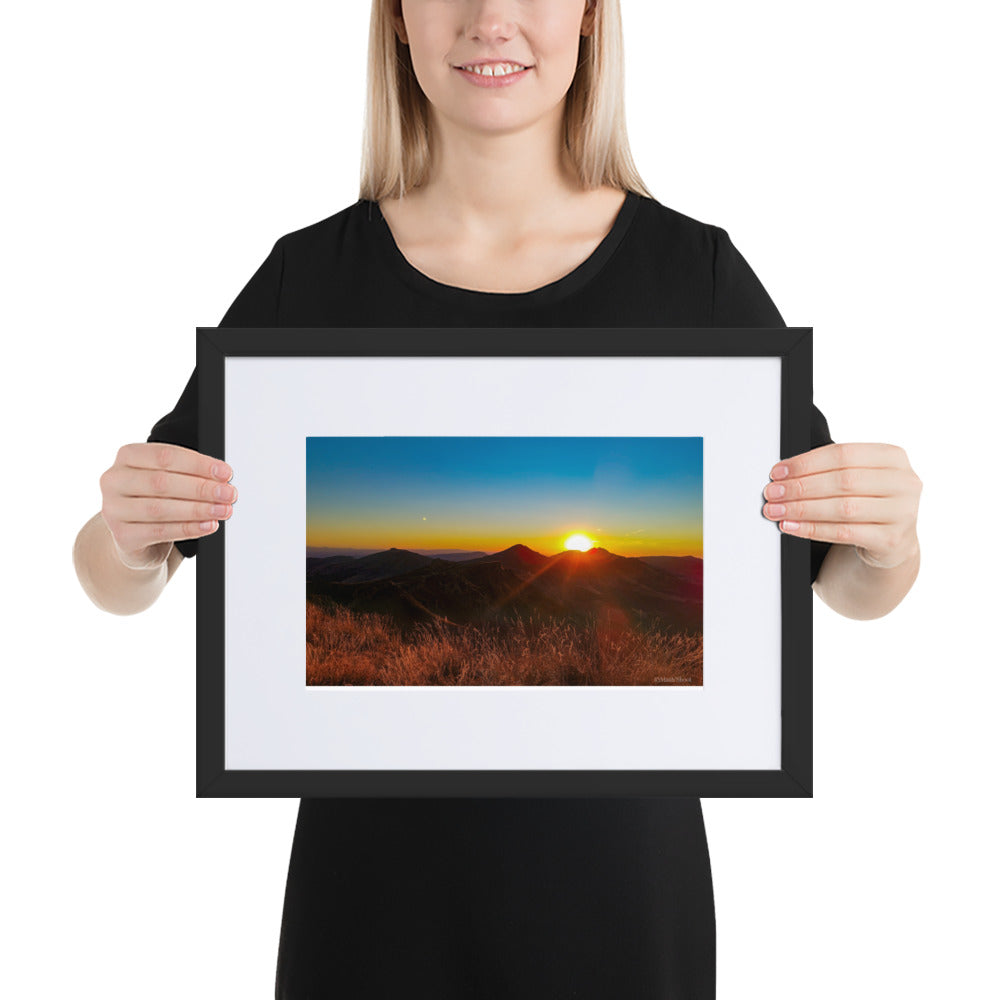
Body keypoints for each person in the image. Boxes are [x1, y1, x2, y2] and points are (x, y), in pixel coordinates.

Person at [72, 1, 922, 996]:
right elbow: (119, 573)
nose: (491, 18)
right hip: (371, 906)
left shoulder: (693, 278)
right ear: (395, 20)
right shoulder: (309, 281)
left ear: (593, 18)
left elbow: (840, 581)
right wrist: (127, 539)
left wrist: (887, 541)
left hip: (621, 903)